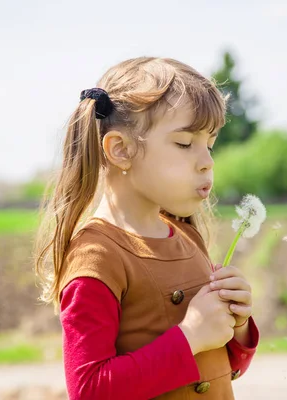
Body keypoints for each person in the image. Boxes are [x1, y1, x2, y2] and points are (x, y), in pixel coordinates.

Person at [34, 57, 259, 399]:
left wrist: (237, 326)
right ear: (121, 149)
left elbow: (222, 371)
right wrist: (191, 336)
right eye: (185, 144)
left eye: (209, 145)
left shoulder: (185, 236)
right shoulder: (98, 257)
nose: (207, 162)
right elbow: (90, 390)